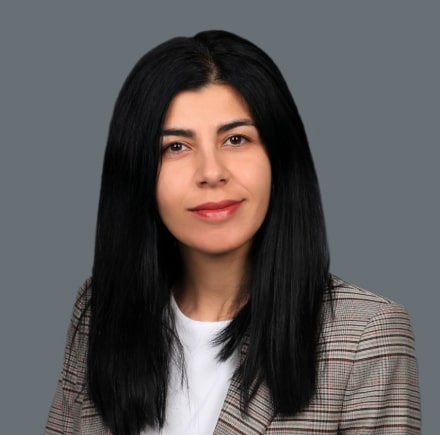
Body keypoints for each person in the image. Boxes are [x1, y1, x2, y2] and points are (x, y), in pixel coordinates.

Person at [45, 30, 421, 434]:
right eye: (175, 147)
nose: (211, 172)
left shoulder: (365, 334)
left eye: (236, 139)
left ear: (279, 158)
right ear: (137, 173)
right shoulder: (101, 309)